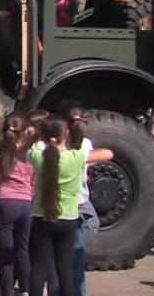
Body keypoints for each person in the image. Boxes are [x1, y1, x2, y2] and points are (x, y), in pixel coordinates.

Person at [28, 114, 113, 296]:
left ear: (44, 135)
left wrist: (36, 136)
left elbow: (26, 147)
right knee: (65, 268)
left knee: (38, 268)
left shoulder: (36, 156)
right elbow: (108, 153)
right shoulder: (76, 157)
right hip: (67, 219)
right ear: (66, 133)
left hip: (40, 218)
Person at [0, 114, 34, 296]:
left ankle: (7, 292)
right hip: (25, 204)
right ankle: (26, 290)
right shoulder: (30, 157)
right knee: (22, 250)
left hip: (2, 205)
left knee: (5, 255)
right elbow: (34, 184)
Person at [58, 101, 98, 296]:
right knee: (76, 257)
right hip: (79, 205)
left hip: (56, 207)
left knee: (56, 260)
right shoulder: (86, 145)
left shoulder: (54, 147)